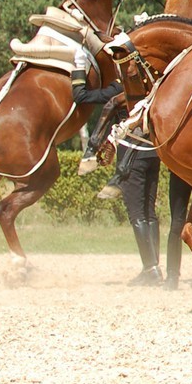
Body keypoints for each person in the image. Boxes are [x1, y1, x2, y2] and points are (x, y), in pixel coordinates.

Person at [71, 48, 163, 285]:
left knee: (137, 214)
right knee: (149, 212)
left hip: (130, 155)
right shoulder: (156, 83)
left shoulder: (118, 88)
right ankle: (155, 268)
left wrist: (79, 67)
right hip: (153, 153)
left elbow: (81, 97)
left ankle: (150, 270)